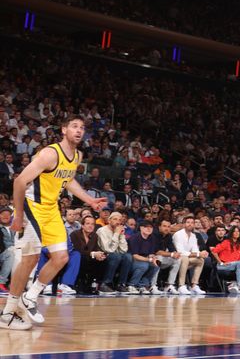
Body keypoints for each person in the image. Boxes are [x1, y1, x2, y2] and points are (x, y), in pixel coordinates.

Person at [2, 115, 106, 330]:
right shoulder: (50, 153)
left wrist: (89, 200)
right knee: (29, 260)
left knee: (61, 257)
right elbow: (20, 181)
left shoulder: (77, 156)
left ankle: (29, 298)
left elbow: (68, 181)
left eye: (82, 128)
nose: (79, 130)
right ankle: (8, 313)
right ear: (64, 130)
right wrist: (19, 215)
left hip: (51, 210)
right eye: (74, 126)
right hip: (32, 207)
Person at [172, 216, 207, 295]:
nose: (190, 224)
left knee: (200, 260)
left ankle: (194, 285)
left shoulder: (193, 236)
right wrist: (198, 254)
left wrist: (202, 254)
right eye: (188, 222)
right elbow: (180, 252)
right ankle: (181, 285)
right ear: (184, 224)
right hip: (176, 259)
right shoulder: (178, 234)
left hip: (187, 259)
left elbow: (195, 250)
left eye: (192, 223)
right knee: (185, 258)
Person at [211, 226, 240, 295]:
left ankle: (235, 284)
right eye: (235, 231)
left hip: (234, 265)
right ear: (231, 233)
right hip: (222, 266)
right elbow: (214, 251)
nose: (237, 233)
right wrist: (221, 262)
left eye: (238, 231)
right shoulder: (226, 242)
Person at [127, 220, 162, 294]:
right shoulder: (135, 238)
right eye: (146, 227)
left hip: (145, 259)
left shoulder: (152, 238)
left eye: (151, 227)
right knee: (144, 265)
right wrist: (149, 259)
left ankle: (143, 285)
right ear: (141, 228)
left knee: (156, 265)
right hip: (132, 260)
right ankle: (132, 285)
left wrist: (153, 258)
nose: (149, 229)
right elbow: (135, 256)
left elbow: (151, 253)